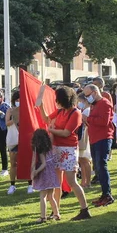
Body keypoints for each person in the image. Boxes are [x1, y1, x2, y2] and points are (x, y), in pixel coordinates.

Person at [38, 86, 90, 220]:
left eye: (58, 99)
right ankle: (56, 211)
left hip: (68, 149)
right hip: (57, 147)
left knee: (72, 181)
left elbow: (67, 132)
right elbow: (46, 119)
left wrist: (52, 130)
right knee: (57, 182)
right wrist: (41, 106)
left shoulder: (75, 113)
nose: (57, 101)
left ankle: (84, 209)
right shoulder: (61, 111)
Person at [86, 84, 115, 206]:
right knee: (98, 167)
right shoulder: (94, 105)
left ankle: (107, 194)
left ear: (94, 92)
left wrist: (88, 119)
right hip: (94, 138)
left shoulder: (105, 103)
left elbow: (104, 121)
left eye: (87, 95)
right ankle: (104, 194)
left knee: (101, 166)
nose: (86, 98)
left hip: (103, 138)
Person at [31, 129, 61, 223]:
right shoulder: (50, 147)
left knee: (43, 196)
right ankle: (56, 214)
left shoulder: (40, 150)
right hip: (52, 174)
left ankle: (43, 217)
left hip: (45, 175)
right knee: (50, 196)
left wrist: (36, 171)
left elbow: (43, 164)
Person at [76, 93, 92, 189]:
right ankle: (83, 181)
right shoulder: (83, 110)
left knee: (85, 160)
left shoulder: (87, 111)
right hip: (82, 136)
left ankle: (88, 182)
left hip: (85, 136)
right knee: (81, 160)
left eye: (79, 101)